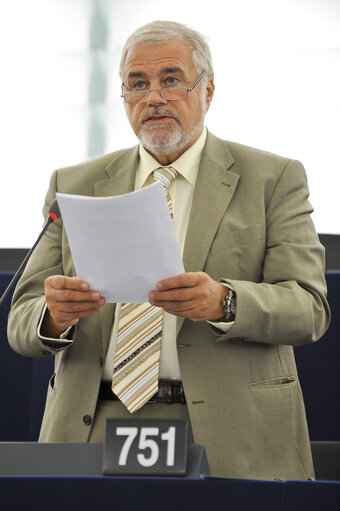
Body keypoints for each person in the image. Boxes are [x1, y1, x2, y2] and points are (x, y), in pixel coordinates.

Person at [8, 20, 330, 479]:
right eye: (137, 85)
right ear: (124, 99)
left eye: (171, 80)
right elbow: (21, 321)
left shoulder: (272, 179)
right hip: (93, 427)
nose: (153, 97)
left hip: (229, 431)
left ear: (208, 90)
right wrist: (54, 315)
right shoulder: (74, 185)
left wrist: (225, 302)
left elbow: (309, 308)